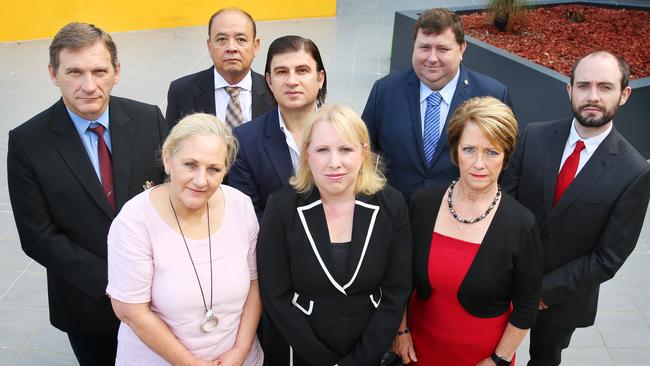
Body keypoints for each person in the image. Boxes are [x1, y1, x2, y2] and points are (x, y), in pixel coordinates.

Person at [7, 22, 167, 365]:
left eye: (99, 71)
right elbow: (37, 236)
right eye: (75, 72)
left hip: (158, 294)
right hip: (85, 304)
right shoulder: (27, 143)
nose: (88, 85)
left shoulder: (149, 119)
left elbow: (170, 196)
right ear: (53, 73)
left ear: (117, 72)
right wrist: (114, 282)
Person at [502, 51, 650, 366]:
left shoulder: (634, 171)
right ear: (570, 90)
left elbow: (608, 257)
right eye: (583, 86)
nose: (592, 96)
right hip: (504, 276)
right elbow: (505, 205)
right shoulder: (533, 136)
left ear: (624, 94)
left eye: (605, 87)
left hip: (561, 298)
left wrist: (542, 292)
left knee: (544, 359)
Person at [257, 105, 412, 365]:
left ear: (363, 153)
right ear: (307, 154)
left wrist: (359, 360)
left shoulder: (392, 205)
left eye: (345, 149)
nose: (334, 163)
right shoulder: (282, 208)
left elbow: (396, 291)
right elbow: (275, 295)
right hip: (299, 354)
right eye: (322, 150)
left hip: (368, 355)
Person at [394, 97, 543, 366]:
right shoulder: (422, 203)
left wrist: (498, 359)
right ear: (455, 151)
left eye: (492, 152)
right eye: (469, 149)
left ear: (506, 157)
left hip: (481, 358)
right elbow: (399, 276)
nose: (478, 163)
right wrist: (401, 330)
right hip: (418, 351)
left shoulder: (521, 224)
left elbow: (526, 306)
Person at [106, 113, 264, 365]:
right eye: (190, 164)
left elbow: (256, 284)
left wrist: (241, 350)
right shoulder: (135, 220)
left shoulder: (240, 206)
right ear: (168, 159)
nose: (201, 180)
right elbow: (131, 311)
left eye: (214, 169)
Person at [361, 8, 511, 200]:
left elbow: (506, 168)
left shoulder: (492, 95)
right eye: (424, 48)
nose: (432, 58)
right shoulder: (385, 91)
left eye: (442, 49)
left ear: (462, 48)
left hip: (462, 220)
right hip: (398, 218)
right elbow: (362, 153)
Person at [229, 35, 326, 218]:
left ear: (320, 78)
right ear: (269, 81)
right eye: (281, 72)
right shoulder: (246, 140)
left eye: (302, 70)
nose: (292, 81)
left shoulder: (345, 132)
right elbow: (247, 215)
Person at [165, 8, 275, 130]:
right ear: (210, 46)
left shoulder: (274, 92)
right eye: (222, 39)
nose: (231, 48)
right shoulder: (182, 92)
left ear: (255, 46)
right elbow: (171, 146)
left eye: (241, 39)